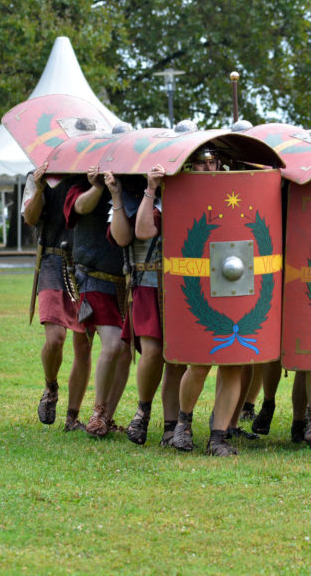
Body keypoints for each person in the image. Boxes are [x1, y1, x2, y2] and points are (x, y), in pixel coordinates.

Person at [169, 145, 248, 456]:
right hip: (198, 283)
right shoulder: (182, 190)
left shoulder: (234, 190)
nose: (207, 168)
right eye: (200, 163)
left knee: (233, 364)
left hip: (236, 283)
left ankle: (218, 437)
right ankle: (183, 424)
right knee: (199, 363)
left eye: (212, 162)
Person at [105, 165, 186, 446]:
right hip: (147, 283)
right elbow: (133, 234)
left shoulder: (188, 193)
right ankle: (143, 411)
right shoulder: (130, 196)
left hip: (182, 284)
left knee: (177, 359)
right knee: (152, 352)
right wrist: (145, 191)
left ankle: (171, 427)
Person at [23, 163, 94, 431]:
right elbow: (30, 218)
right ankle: (51, 387)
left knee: (83, 345)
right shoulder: (38, 175)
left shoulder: (91, 174)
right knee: (55, 339)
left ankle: (72, 417)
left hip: (87, 263)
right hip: (53, 260)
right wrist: (40, 188)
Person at [65, 166, 131, 437]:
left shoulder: (131, 185)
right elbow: (80, 207)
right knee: (108, 345)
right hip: (92, 277)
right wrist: (98, 186)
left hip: (125, 282)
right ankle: (94, 413)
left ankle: (106, 417)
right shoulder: (80, 184)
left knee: (125, 351)